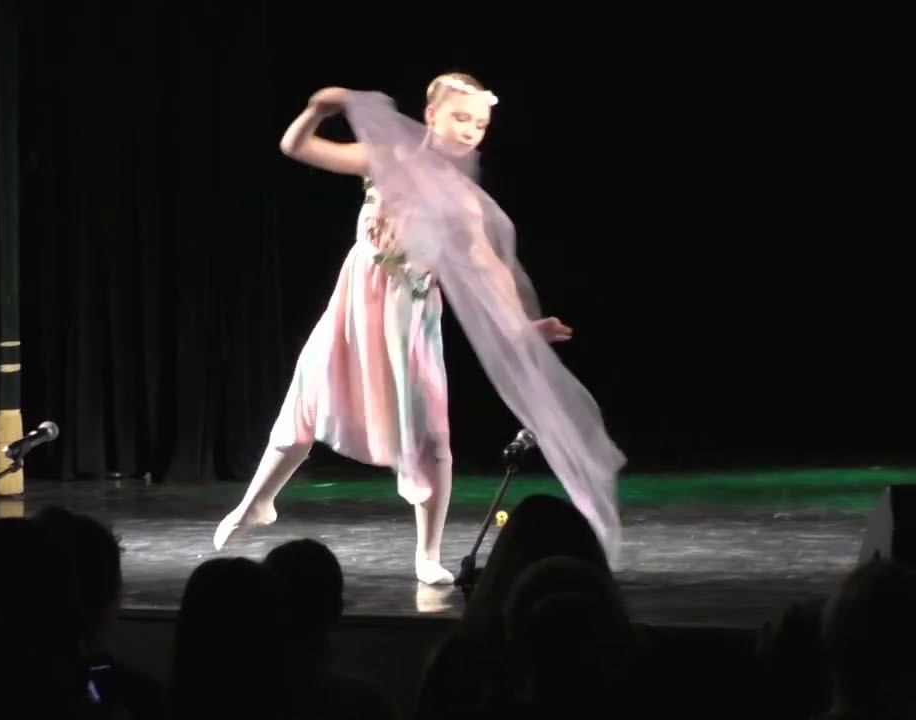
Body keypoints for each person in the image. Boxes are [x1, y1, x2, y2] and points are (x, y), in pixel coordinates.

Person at [215, 72, 622, 584]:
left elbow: (489, 267)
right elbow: (296, 147)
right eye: (461, 117)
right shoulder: (388, 159)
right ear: (431, 115)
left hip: (409, 317)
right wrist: (318, 110)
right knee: (306, 400)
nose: (471, 130)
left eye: (480, 124)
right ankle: (257, 502)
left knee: (428, 431)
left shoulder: (462, 200)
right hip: (355, 303)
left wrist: (522, 323)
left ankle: (427, 552)